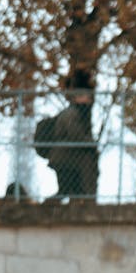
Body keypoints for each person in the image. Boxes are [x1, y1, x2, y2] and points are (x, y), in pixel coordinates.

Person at [47, 68, 99, 199]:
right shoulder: (71, 114)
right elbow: (76, 136)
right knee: (70, 192)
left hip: (65, 157)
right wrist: (92, 144)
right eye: (86, 96)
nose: (89, 99)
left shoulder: (74, 113)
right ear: (78, 97)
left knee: (69, 192)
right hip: (67, 158)